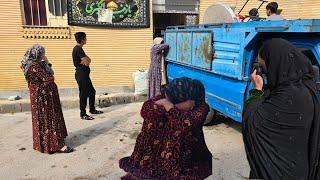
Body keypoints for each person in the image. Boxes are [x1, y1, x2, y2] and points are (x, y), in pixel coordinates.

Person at [243, 38, 320, 179]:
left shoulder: (284, 98)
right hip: (300, 168)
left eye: (263, 67)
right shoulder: (307, 87)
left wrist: (257, 90)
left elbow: (251, 124)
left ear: (275, 65)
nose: (263, 72)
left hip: (278, 172)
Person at [119, 77, 212, 179]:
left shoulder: (200, 107)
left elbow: (185, 124)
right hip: (156, 149)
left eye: (174, 103)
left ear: (190, 100)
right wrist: (166, 106)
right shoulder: (168, 94)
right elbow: (145, 110)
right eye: (169, 101)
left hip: (184, 153)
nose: (170, 103)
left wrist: (169, 107)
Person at [21, 44, 73, 154]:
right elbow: (48, 78)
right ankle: (56, 145)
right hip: (43, 98)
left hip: (39, 97)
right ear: (37, 54)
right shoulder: (35, 66)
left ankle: (45, 144)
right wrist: (47, 64)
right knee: (49, 119)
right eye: (42, 53)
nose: (43, 55)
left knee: (42, 120)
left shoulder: (31, 64)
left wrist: (45, 63)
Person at [72, 32, 103, 120]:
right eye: (85, 38)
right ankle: (83, 114)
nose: (86, 40)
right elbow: (87, 62)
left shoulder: (79, 49)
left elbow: (88, 60)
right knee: (83, 94)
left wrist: (86, 59)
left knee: (92, 91)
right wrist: (86, 60)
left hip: (85, 74)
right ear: (82, 40)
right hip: (81, 74)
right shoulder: (78, 49)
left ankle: (92, 109)